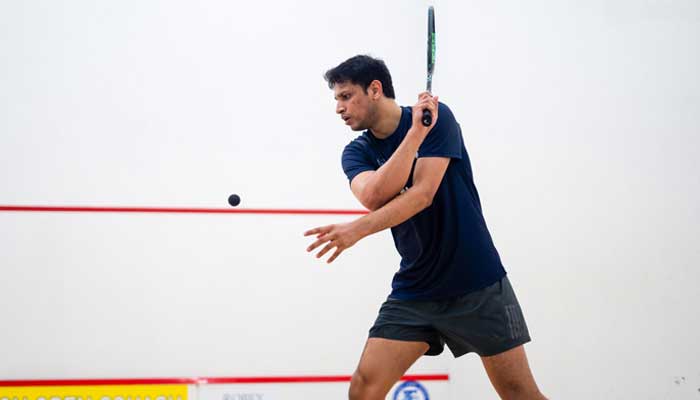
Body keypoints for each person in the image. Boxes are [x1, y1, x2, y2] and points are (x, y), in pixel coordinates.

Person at [304, 55, 546, 400]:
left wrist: (356, 230)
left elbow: (422, 194)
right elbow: (373, 195)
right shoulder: (356, 152)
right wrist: (416, 135)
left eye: (345, 96)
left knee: (520, 394)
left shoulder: (439, 118)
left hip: (477, 283)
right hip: (416, 289)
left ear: (375, 89)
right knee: (363, 390)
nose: (339, 108)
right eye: (336, 100)